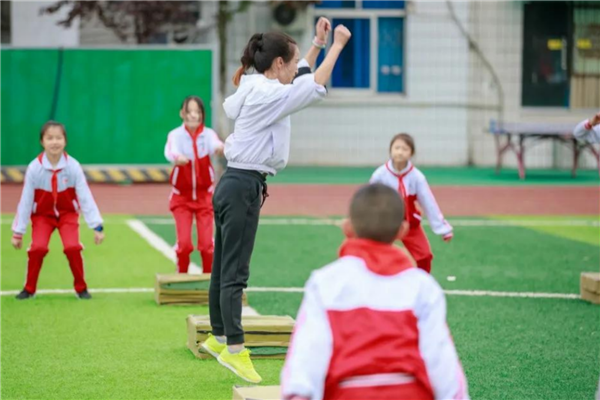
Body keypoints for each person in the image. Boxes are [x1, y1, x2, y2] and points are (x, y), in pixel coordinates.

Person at [201, 18, 351, 383]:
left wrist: (315, 43)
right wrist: (337, 46)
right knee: (235, 271)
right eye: (294, 60)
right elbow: (312, 84)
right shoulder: (271, 95)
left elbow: (298, 74)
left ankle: (219, 337)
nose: (298, 65)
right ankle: (235, 348)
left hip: (232, 183)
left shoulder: (255, 86)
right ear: (278, 64)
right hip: (242, 187)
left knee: (223, 266)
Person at [282, 183, 469, 400]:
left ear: (347, 228)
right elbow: (441, 361)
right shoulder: (423, 286)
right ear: (403, 231)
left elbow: (306, 356)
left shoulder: (325, 283)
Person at [11, 121, 104, 300]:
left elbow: (85, 196)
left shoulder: (73, 167)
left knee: (72, 247)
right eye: (50, 138)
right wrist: (18, 232)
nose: (54, 142)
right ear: (42, 141)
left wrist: (97, 226)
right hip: (42, 216)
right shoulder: (34, 168)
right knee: (37, 248)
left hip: (67, 215)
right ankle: (29, 289)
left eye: (59, 138)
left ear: (65, 141)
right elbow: (25, 201)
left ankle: (81, 288)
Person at [369, 133, 453, 273]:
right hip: (385, 224)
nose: (400, 152)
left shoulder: (417, 177)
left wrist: (443, 229)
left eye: (404, 149)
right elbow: (369, 199)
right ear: (390, 150)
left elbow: (428, 202)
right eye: (396, 148)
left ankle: (422, 284)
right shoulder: (380, 175)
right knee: (375, 255)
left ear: (411, 153)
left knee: (424, 256)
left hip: (409, 224)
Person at [164, 95, 224, 273]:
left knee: (207, 246)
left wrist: (220, 147)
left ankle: (209, 281)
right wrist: (177, 158)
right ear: (182, 113)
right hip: (181, 198)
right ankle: (181, 275)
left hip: (205, 198)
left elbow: (215, 144)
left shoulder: (208, 134)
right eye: (189, 111)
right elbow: (170, 151)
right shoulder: (175, 135)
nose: (193, 116)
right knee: (184, 245)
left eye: (197, 112)